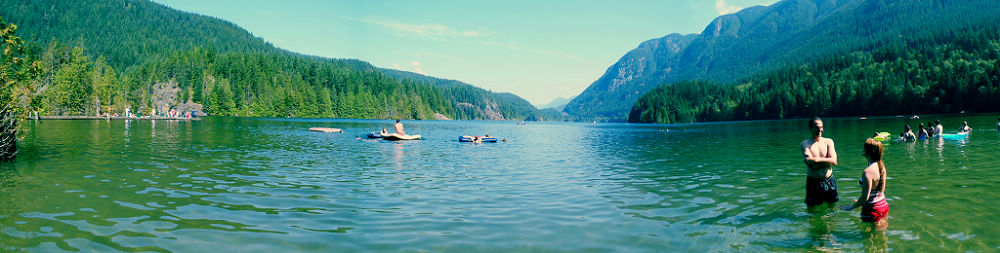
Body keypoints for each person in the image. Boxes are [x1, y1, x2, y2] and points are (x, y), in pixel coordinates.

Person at [841, 138, 889, 229]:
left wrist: (851, 207)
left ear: (869, 152)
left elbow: (865, 198)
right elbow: (878, 191)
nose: (862, 149)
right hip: (883, 206)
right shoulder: (881, 166)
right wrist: (861, 202)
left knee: (867, 240)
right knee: (881, 238)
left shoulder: (868, 171)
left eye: (864, 148)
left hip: (872, 210)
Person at [801, 117, 839, 207]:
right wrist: (827, 162)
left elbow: (834, 161)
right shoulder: (805, 144)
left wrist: (816, 160)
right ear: (810, 128)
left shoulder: (828, 142)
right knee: (812, 210)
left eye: (821, 127)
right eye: (817, 127)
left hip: (829, 180)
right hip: (813, 182)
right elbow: (811, 164)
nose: (820, 130)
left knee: (832, 208)